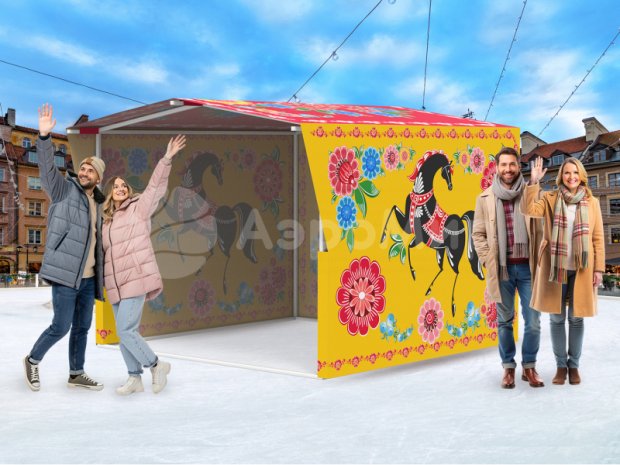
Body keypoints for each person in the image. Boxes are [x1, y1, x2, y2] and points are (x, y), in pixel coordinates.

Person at [24, 103, 106, 391]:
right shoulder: (63, 190)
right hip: (65, 274)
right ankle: (32, 360)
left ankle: (76, 373)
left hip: (88, 279)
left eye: (90, 170)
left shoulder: (100, 203)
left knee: (82, 328)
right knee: (61, 326)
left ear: (98, 178)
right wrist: (44, 137)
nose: (83, 172)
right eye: (82, 168)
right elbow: (47, 170)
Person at [102, 134, 186, 395]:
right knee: (123, 334)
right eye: (115, 186)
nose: (120, 188)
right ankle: (134, 377)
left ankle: (157, 365)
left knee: (126, 330)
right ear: (109, 192)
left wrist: (166, 159)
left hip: (136, 278)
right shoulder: (106, 221)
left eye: (123, 185)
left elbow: (154, 188)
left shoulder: (138, 208)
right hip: (115, 284)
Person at [523, 156, 604, 385]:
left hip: (581, 268)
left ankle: (574, 366)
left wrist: (599, 269)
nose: (571, 177)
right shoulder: (550, 198)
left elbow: (598, 238)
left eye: (575, 172)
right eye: (567, 172)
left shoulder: (592, 202)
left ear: (582, 175)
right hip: (554, 267)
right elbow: (528, 209)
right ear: (561, 176)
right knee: (557, 319)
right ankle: (561, 366)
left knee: (576, 319)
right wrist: (533, 183)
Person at [473, 146, 544, 389]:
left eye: (512, 164)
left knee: (533, 321)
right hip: (501, 269)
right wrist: (488, 259)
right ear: (497, 167)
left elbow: (541, 221)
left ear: (518, 166)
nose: (508, 169)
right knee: (504, 321)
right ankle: (508, 368)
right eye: (503, 164)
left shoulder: (531, 191)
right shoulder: (484, 198)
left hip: (528, 269)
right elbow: (478, 234)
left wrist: (534, 185)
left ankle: (529, 366)